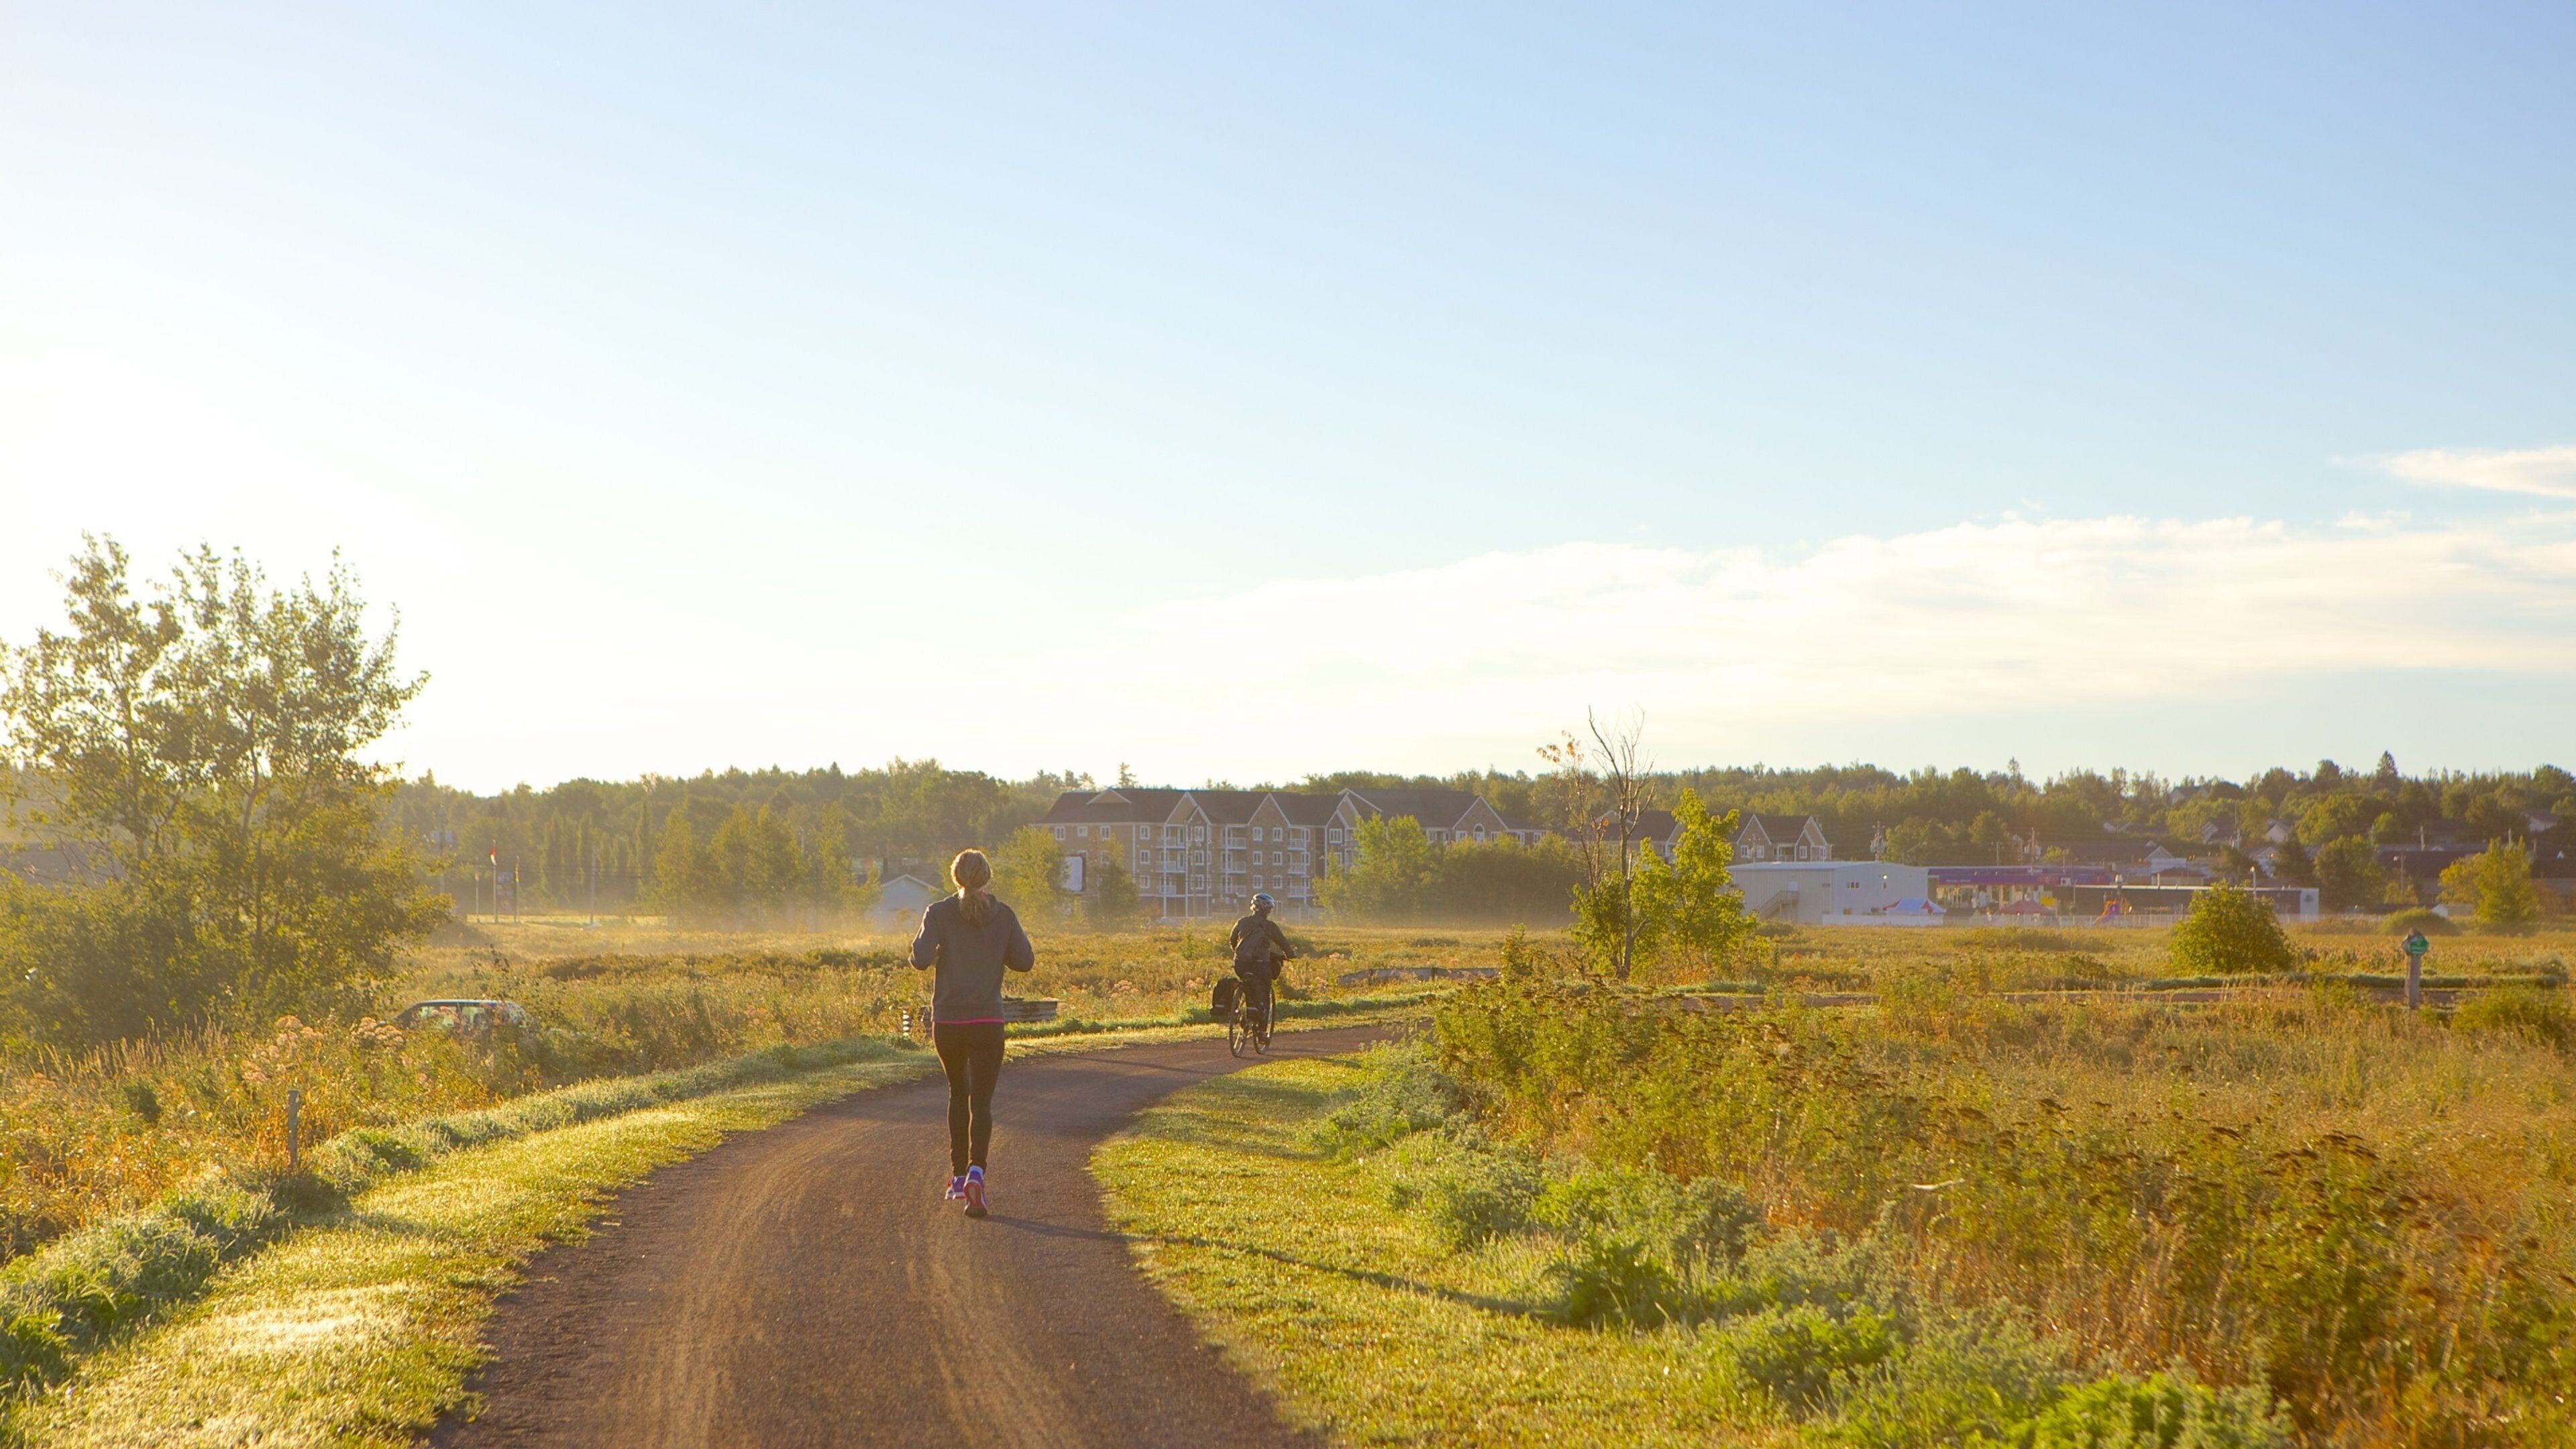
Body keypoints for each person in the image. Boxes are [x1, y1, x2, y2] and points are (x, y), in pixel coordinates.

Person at [911, 848, 1034, 1218]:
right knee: (981, 1100)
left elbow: (918, 958)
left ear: (956, 877)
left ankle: (959, 1176)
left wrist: (935, 952)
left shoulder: (938, 913)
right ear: (987, 877)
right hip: (988, 1022)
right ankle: (977, 1172)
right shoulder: (1003, 915)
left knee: (957, 1093)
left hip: (948, 1021)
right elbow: (1025, 962)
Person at [1228, 892, 1296, 1035]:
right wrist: (1291, 954)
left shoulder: (1242, 921)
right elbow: (1283, 942)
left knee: (1247, 985)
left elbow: (1232, 940)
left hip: (1240, 964)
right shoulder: (1269, 926)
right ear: (1268, 910)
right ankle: (1262, 1031)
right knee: (1265, 992)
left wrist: (1239, 954)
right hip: (1260, 965)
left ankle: (1242, 1012)